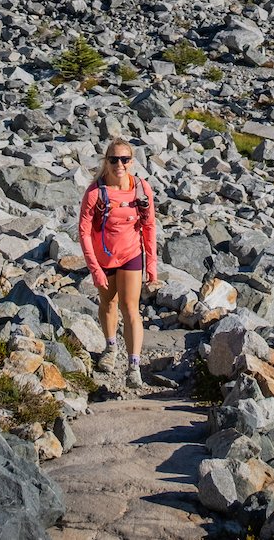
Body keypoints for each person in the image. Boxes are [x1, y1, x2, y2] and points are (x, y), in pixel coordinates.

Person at [78, 136, 158, 388]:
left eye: (124, 159)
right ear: (106, 161)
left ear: (131, 161)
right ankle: (110, 348)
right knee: (108, 303)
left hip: (131, 254)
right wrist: (94, 270)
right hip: (104, 258)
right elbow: (83, 231)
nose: (119, 164)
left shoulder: (141, 189)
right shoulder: (95, 193)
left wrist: (152, 264)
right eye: (113, 159)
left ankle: (134, 366)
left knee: (130, 308)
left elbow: (149, 226)